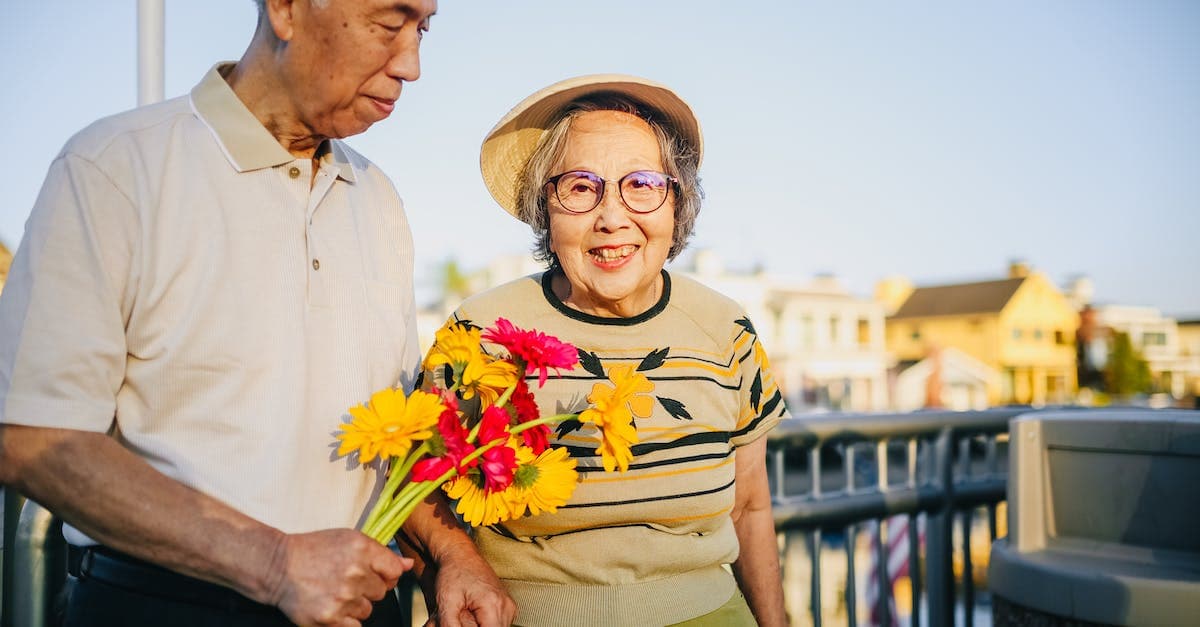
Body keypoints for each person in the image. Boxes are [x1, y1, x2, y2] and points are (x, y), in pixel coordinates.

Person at [0, 1, 515, 626]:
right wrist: (275, 564)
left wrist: (452, 553)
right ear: (287, 9)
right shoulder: (114, 167)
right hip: (165, 607)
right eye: (389, 23)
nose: (411, 65)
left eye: (422, 30)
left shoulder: (378, 198)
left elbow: (395, 439)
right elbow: (30, 438)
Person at [424, 74, 790, 626]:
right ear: (545, 209)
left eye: (641, 184)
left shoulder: (727, 329)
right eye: (579, 186)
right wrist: (454, 566)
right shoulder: (479, 332)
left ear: (677, 204)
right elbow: (417, 482)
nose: (612, 216)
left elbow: (749, 506)